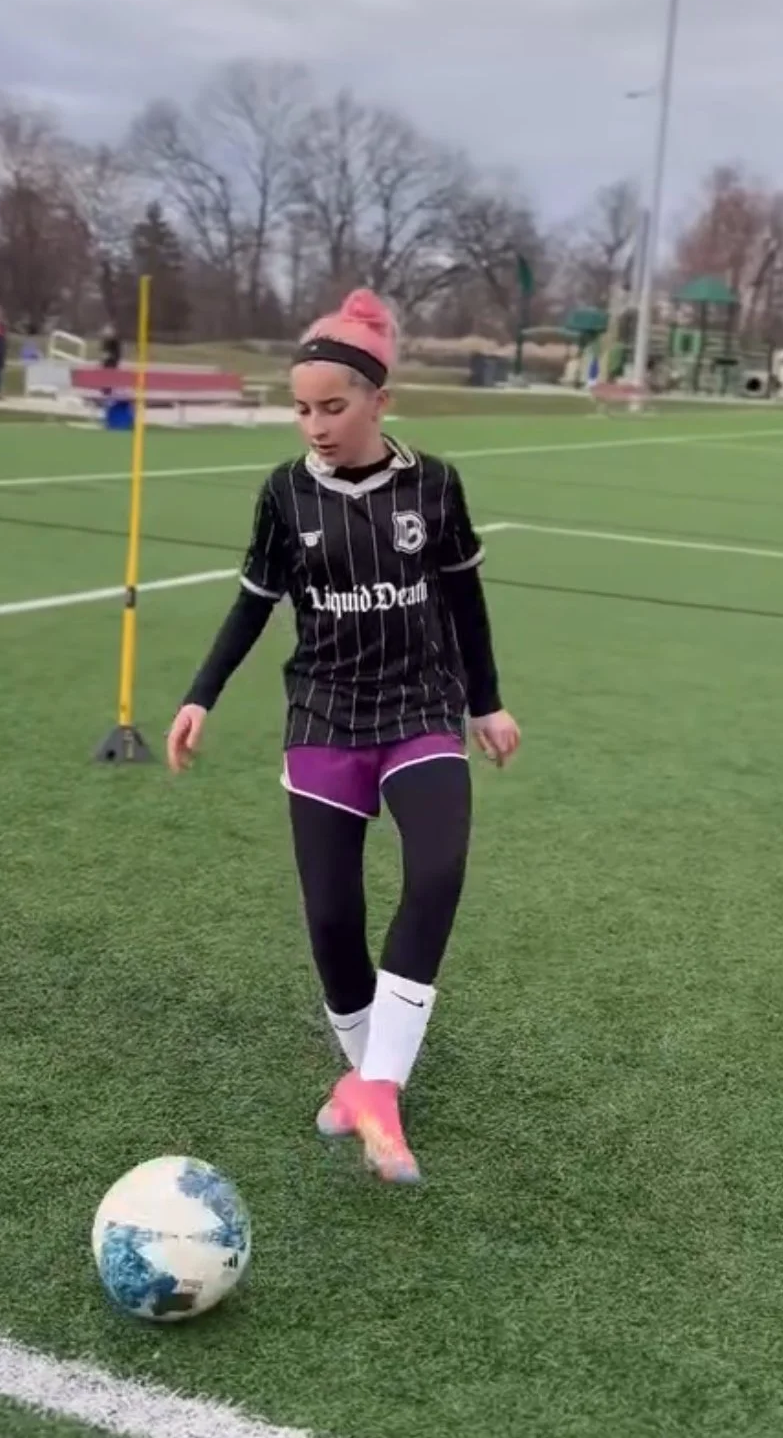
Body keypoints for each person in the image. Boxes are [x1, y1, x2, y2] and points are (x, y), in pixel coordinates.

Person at [167, 289, 520, 1185]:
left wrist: (486, 703)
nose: (315, 426)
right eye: (301, 409)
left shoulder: (434, 485)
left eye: (333, 406)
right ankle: (368, 1079)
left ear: (378, 401)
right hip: (324, 712)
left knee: (436, 871)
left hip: (421, 707)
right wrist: (202, 695)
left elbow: (466, 602)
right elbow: (253, 602)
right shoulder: (284, 493)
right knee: (332, 918)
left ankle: (379, 1088)